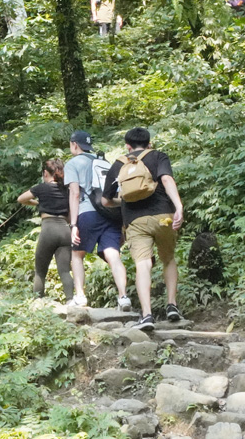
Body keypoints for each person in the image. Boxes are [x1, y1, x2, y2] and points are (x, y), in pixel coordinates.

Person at [101, 127, 184, 331]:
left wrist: (126, 200)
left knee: (143, 264)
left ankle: (147, 315)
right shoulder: (158, 156)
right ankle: (171, 305)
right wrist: (179, 207)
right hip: (163, 216)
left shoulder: (120, 163)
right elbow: (166, 179)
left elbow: (105, 200)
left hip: (135, 221)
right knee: (168, 259)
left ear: (127, 146)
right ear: (149, 143)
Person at [64, 131, 131, 311]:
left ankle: (80, 296)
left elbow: (75, 193)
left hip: (87, 213)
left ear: (74, 145)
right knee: (113, 255)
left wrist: (74, 224)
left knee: (77, 254)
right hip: (110, 212)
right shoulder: (104, 162)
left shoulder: (72, 163)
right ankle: (123, 296)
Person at [17, 159, 77, 304]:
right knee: (64, 271)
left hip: (48, 229)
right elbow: (70, 215)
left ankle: (37, 302)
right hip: (64, 230)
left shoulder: (41, 188)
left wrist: (38, 202)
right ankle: (70, 301)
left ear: (45, 173)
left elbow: (21, 199)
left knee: (40, 271)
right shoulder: (67, 189)